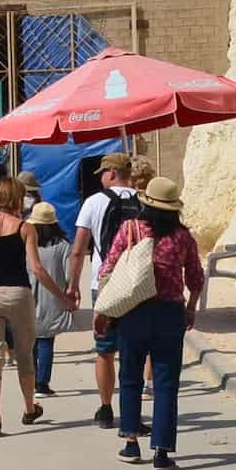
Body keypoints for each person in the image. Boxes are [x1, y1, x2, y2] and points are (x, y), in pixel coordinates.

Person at [98, 178, 203, 470]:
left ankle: (131, 442)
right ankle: (161, 452)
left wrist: (106, 309)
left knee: (130, 376)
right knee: (166, 383)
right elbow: (196, 277)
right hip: (170, 314)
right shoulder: (183, 237)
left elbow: (107, 269)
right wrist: (191, 308)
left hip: (134, 312)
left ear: (146, 203)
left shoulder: (130, 229)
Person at [0, 180, 70, 435]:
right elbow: (37, 269)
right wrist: (62, 296)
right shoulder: (25, 228)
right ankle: (29, 408)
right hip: (19, 294)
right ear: (19, 199)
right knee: (24, 354)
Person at [72, 152, 143, 428]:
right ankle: (131, 411)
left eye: (102, 173)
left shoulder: (94, 202)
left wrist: (71, 286)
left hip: (103, 283)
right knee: (133, 350)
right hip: (137, 283)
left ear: (111, 173)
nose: (101, 178)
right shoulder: (143, 200)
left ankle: (105, 408)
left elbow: (79, 250)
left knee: (104, 350)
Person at [27, 203, 80, 396]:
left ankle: (30, 380)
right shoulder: (63, 246)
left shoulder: (26, 242)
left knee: (30, 340)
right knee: (46, 340)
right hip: (53, 295)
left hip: (27, 295)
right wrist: (71, 290)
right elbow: (69, 274)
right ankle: (42, 384)